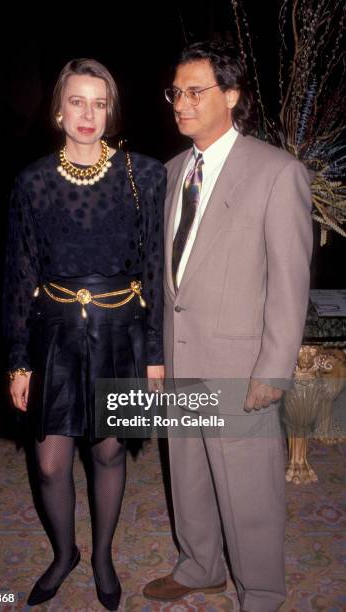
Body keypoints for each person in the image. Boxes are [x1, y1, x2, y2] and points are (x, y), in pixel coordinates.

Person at [143, 41, 312, 612]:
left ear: (232, 95)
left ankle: (261, 592)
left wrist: (275, 369)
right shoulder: (169, 174)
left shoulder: (276, 172)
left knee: (248, 490)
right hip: (180, 358)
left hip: (240, 367)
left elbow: (290, 283)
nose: (181, 104)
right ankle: (201, 566)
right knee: (188, 474)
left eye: (195, 92)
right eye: (176, 93)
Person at [3, 58, 166, 609]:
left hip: (121, 330)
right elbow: (18, 275)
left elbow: (155, 274)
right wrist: (18, 361)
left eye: (99, 102)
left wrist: (155, 357)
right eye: (77, 101)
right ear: (58, 109)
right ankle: (63, 553)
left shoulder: (143, 174)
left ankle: (101, 556)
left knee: (109, 452)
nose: (88, 113)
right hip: (54, 334)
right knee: (49, 460)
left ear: (111, 110)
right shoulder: (32, 182)